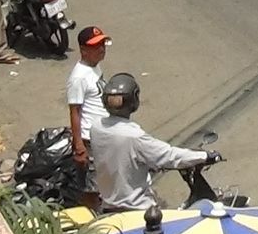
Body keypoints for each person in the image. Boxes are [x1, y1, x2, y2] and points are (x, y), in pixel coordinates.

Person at [88, 72, 216, 214]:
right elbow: (169, 155)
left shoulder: (96, 127)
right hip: (138, 211)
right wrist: (205, 156)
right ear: (134, 99)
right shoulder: (134, 136)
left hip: (108, 207)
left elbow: (119, 156)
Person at [66, 26, 110, 178]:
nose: (102, 49)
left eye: (103, 45)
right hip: (90, 140)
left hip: (104, 135)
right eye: (96, 46)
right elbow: (75, 111)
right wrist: (79, 146)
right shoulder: (79, 77)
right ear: (83, 50)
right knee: (92, 186)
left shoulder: (95, 66)